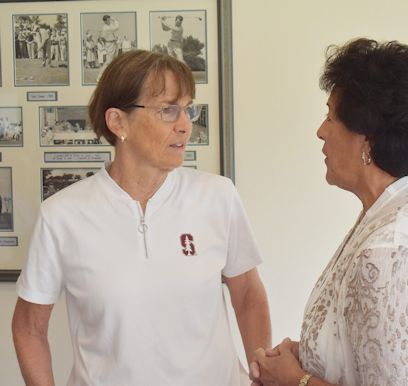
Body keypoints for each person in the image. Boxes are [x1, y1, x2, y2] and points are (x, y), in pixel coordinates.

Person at [13, 49, 271, 386]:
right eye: (168, 110)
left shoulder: (218, 196)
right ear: (118, 122)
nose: (185, 125)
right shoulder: (62, 215)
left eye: (188, 109)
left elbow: (248, 295)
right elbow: (28, 327)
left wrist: (263, 374)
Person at [251, 38, 408, 386]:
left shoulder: (389, 253)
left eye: (330, 117)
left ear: (368, 137)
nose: (320, 131)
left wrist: (296, 381)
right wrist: (313, 353)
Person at [96, 15, 119, 80]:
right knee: (109, 61)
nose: (110, 20)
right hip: (109, 44)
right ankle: (99, 77)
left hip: (113, 43)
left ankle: (113, 76)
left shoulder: (108, 26)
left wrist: (112, 20)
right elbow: (117, 27)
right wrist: (115, 20)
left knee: (114, 60)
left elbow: (114, 28)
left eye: (109, 19)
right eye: (108, 20)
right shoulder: (106, 28)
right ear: (105, 21)